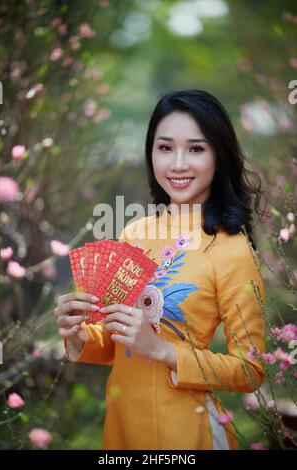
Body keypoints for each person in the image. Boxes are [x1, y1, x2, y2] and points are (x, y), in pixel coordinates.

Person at [54, 89, 269, 450]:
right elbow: (112, 342)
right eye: (165, 147)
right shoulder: (134, 233)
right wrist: (76, 334)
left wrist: (164, 351)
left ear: (219, 156)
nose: (178, 164)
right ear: (151, 152)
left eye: (196, 149)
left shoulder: (231, 250)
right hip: (122, 428)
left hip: (187, 434)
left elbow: (251, 370)